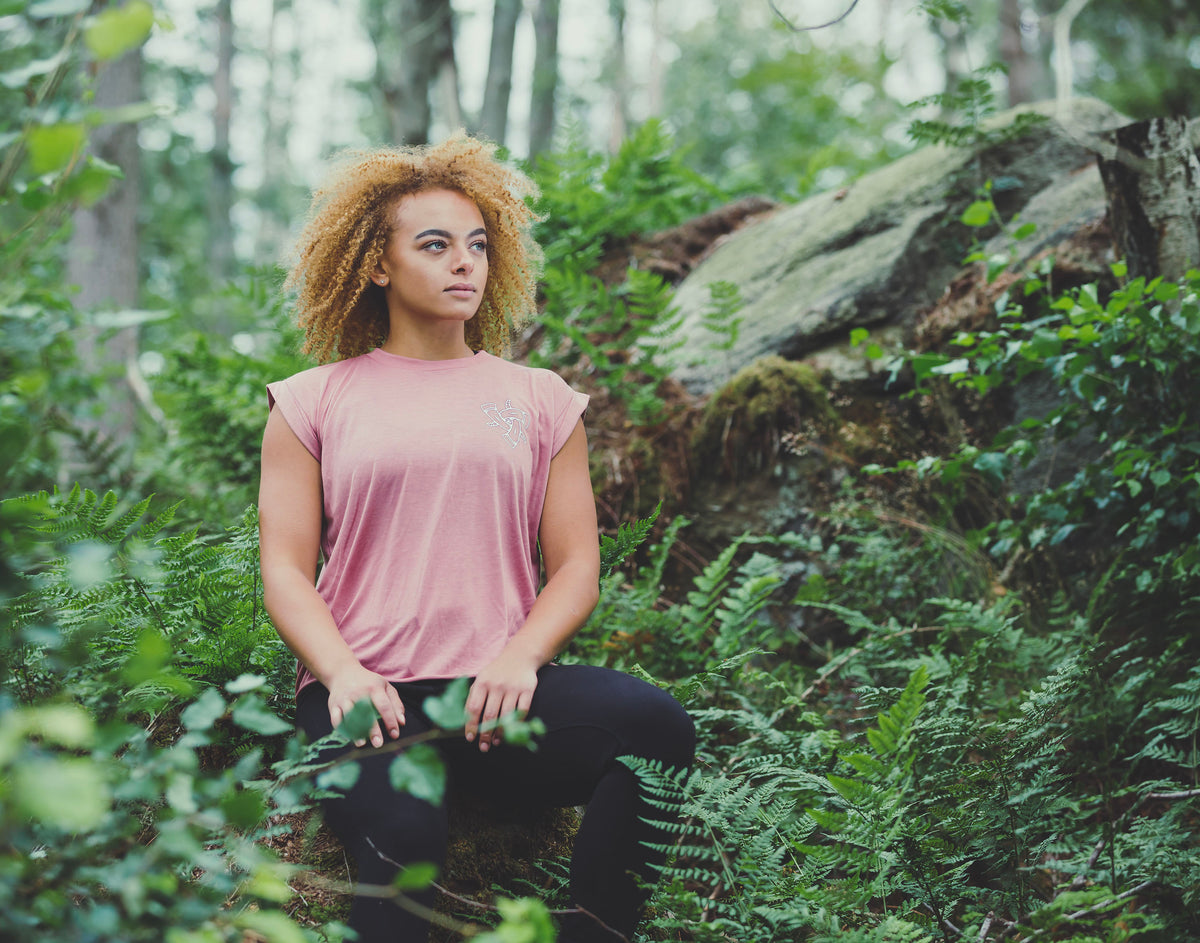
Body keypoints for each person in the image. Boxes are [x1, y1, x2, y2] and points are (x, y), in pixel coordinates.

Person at [258, 133, 696, 943]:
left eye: (478, 246)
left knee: (657, 729)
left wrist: (521, 656)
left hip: (501, 694)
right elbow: (284, 569)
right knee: (408, 846)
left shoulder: (539, 400)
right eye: (435, 245)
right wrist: (342, 674)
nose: (465, 263)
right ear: (378, 265)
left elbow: (576, 568)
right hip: (371, 700)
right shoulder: (310, 402)